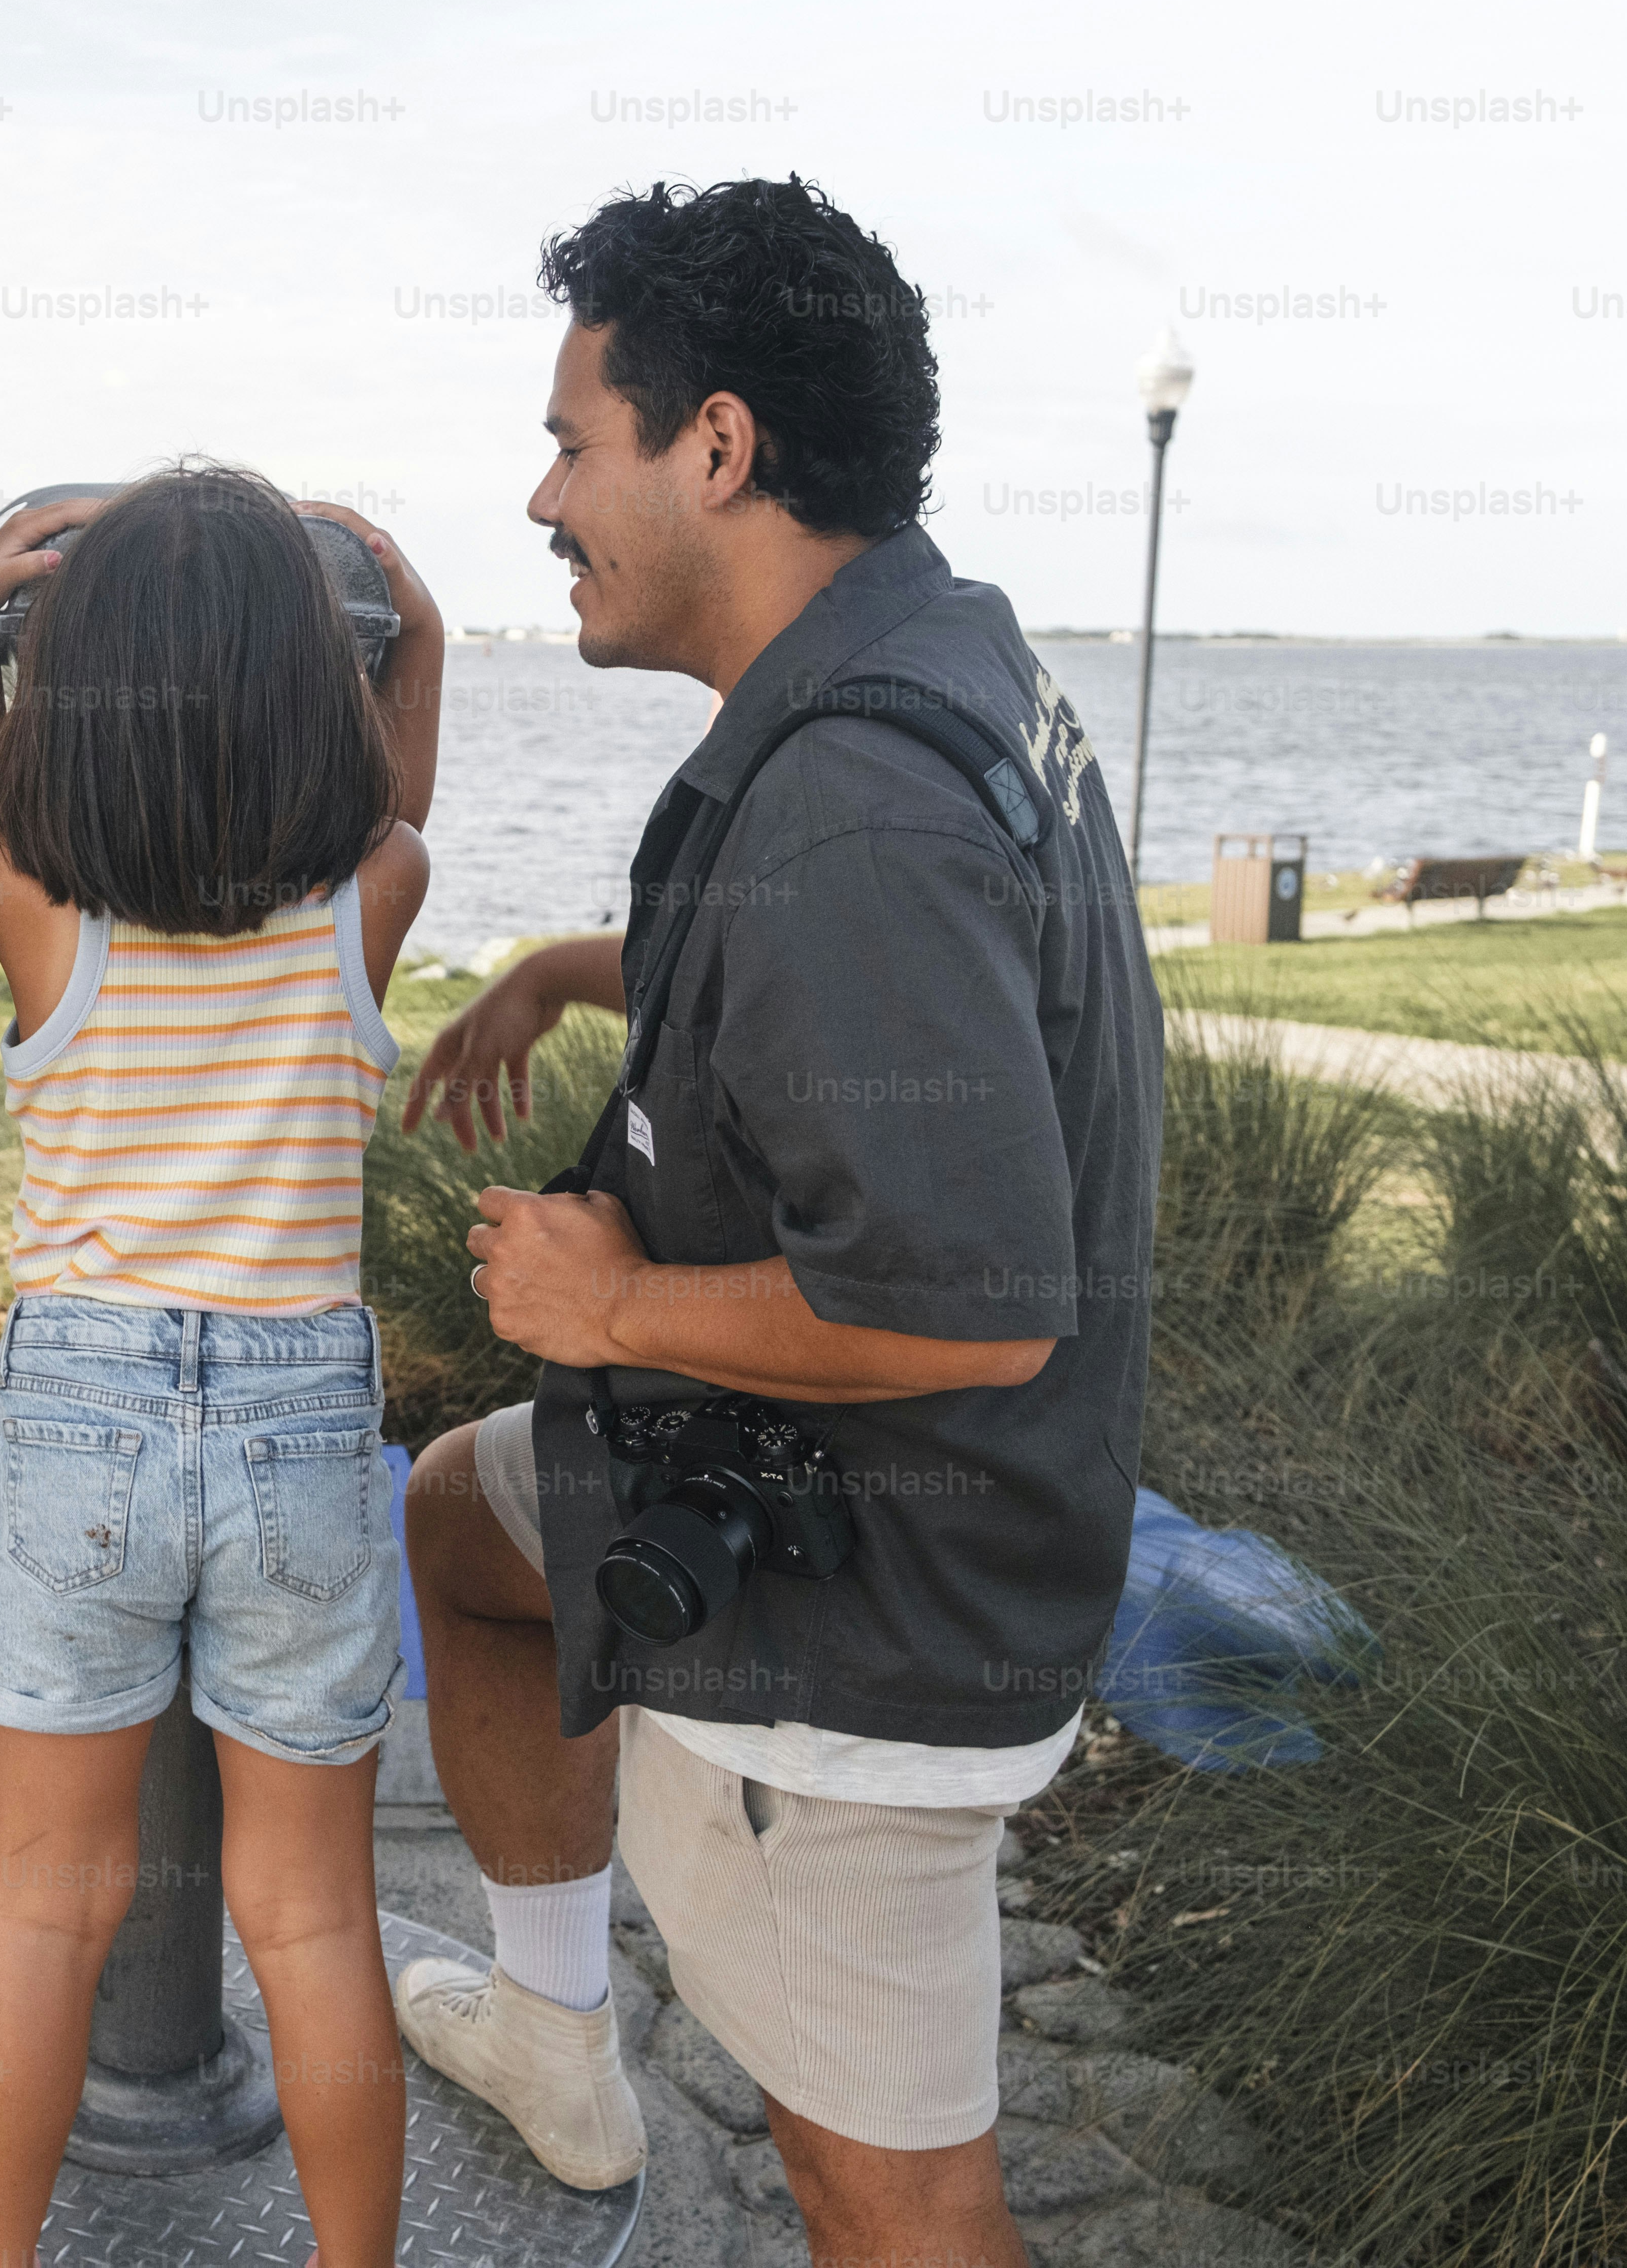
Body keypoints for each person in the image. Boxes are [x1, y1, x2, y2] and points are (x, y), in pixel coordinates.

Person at [387, 179, 1161, 2268]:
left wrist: (614, 1294)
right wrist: (570, 963)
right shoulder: (937, 653)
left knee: (886, 2201)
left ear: (713, 447)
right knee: (461, 1527)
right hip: (751, 1477)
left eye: (574, 440)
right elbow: (891, 986)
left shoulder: (854, 800)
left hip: (861, 1611)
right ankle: (556, 2030)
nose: (544, 493)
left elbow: (979, 1305)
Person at [0, 465, 444, 2268]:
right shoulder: (373, 892)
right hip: (298, 1414)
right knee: (312, 1916)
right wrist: (421, 635)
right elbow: (395, 800)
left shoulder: (30, 903)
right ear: (328, 684)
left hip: (78, 1410)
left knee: (46, 1906)